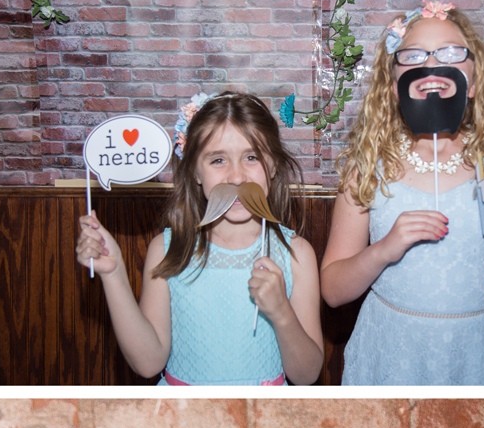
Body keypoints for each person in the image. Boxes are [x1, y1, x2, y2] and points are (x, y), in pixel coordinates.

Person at [322, 2, 484, 385]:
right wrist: (385, 248)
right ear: (392, 86)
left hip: (480, 350)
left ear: (472, 81)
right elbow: (334, 291)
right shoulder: (369, 163)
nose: (433, 64)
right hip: (394, 353)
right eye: (414, 55)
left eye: (452, 53)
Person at [76, 90, 324, 386]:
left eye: (252, 157)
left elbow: (307, 375)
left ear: (271, 165)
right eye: (218, 160)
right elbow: (147, 362)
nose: (236, 177)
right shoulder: (168, 250)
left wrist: (282, 313)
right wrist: (114, 273)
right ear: (195, 170)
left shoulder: (296, 255)